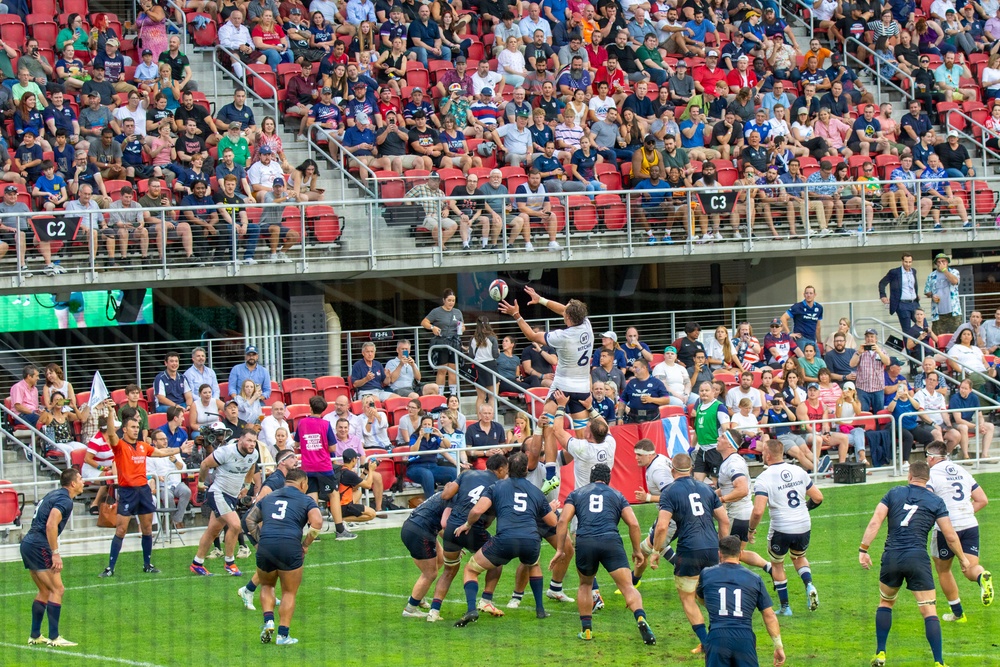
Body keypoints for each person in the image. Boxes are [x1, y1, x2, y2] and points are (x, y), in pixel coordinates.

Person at [859, 460, 970, 667]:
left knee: (885, 603)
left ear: (910, 476)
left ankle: (881, 653)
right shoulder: (936, 501)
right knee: (929, 611)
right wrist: (963, 559)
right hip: (917, 558)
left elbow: (875, 521)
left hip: (892, 556)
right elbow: (950, 535)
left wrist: (863, 550)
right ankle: (938, 662)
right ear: (927, 479)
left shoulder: (893, 493)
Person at [499, 288, 593, 493]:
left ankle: (550, 475)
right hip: (583, 389)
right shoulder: (587, 325)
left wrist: (516, 314)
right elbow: (566, 310)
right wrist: (540, 299)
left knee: (546, 424)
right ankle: (587, 474)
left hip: (563, 388)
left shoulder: (563, 336)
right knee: (580, 438)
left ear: (568, 317)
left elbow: (532, 334)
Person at [551, 463, 655, 644]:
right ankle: (640, 617)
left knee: (585, 584)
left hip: (585, 542)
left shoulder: (577, 494)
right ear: (608, 479)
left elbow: (562, 522)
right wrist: (637, 550)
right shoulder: (617, 495)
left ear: (591, 478)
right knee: (627, 586)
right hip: (610, 542)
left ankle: (587, 631)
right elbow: (634, 524)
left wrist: (560, 549)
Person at [452, 451, 558, 627]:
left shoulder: (496, 486)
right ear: (525, 469)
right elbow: (552, 522)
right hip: (530, 540)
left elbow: (477, 510)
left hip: (505, 539)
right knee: (533, 565)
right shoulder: (536, 491)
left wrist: (467, 525)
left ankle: (472, 609)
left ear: (508, 467)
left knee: (471, 569)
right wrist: (551, 509)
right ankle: (540, 610)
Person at [648, 452, 730, 652]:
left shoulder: (669, 492)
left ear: (672, 469)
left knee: (687, 597)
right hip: (711, 548)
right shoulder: (707, 489)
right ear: (692, 468)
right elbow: (724, 520)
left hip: (689, 549)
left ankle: (707, 643)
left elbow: (661, 527)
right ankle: (718, 636)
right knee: (710, 594)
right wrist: (724, 548)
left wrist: (656, 551)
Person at [100, 408, 192, 578]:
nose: (136, 429)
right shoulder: (119, 446)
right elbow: (111, 433)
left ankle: (147, 564)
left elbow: (160, 452)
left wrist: (179, 450)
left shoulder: (143, 446)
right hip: (127, 491)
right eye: (132, 427)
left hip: (143, 490)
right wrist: (111, 413)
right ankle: (110, 567)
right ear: (125, 429)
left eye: (137, 427)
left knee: (147, 528)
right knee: (121, 530)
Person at [243, 468, 323, 645]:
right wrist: (305, 545)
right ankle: (283, 635)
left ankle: (268, 621)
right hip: (290, 546)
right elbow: (317, 522)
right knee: (288, 592)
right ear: (302, 484)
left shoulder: (268, 497)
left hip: (267, 546)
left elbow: (249, 520)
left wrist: (260, 540)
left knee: (266, 585)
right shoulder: (306, 499)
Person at [428, 453, 510, 622]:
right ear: (500, 469)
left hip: (451, 529)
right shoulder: (499, 485)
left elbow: (445, 495)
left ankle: (434, 612)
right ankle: (485, 600)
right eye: (506, 471)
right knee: (498, 559)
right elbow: (489, 518)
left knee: (449, 570)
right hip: (470, 528)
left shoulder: (467, 474)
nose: (506, 474)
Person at [750, 439, 825, 616]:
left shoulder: (763, 478)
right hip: (803, 524)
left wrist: (751, 529)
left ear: (767, 455)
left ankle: (785, 607)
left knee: (777, 564)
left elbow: (758, 510)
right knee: (799, 557)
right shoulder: (798, 471)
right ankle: (809, 585)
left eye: (762, 453)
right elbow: (818, 497)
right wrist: (803, 509)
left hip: (781, 527)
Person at [925, 440, 995, 625]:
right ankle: (982, 577)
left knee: (943, 569)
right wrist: (964, 512)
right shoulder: (961, 471)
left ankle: (958, 613)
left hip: (947, 527)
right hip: (970, 524)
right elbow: (982, 500)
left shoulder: (931, 474)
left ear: (931, 458)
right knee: (970, 568)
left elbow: (927, 499)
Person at [698, 535, 787, 667]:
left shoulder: (706, 574)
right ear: (740, 554)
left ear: (719, 553)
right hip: (744, 638)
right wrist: (778, 646)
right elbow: (769, 615)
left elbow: (699, 597)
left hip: (718, 636)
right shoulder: (754, 578)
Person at [20, 468, 84, 648]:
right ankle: (54, 638)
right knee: (58, 589)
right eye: (80, 478)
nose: (83, 481)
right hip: (39, 545)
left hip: (28, 544)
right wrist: (55, 553)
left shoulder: (54, 494)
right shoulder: (65, 500)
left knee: (45, 590)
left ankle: (35, 635)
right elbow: (50, 524)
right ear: (72, 483)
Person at [189, 430, 260, 577]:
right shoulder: (226, 452)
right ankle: (230, 563)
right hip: (218, 493)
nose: (252, 444)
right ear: (240, 440)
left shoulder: (254, 454)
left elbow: (251, 467)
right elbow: (204, 464)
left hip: (232, 496)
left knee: (213, 531)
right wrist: (201, 483)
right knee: (235, 525)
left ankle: (197, 563)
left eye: (254, 441)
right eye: (249, 440)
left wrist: (246, 487)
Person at [293, 395, 356, 539]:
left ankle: (313, 532)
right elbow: (333, 447)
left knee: (311, 497)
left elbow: (296, 444)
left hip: (307, 466)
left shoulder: (302, 423)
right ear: (322, 410)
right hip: (323, 465)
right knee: (333, 494)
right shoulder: (325, 424)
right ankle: (340, 529)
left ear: (310, 407)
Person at [399, 490, 447, 618]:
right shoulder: (454, 498)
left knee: (440, 559)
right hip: (421, 531)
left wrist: (450, 544)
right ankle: (410, 609)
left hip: (418, 528)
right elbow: (446, 525)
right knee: (430, 573)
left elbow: (441, 526)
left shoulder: (446, 492)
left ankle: (419, 596)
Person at [421, 288, 464, 395]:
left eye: (453, 300)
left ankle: (453, 394)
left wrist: (462, 328)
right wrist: (432, 328)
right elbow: (424, 322)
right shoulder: (436, 311)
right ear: (444, 300)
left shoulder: (457, 312)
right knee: (442, 370)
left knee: (453, 370)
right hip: (441, 343)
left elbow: (463, 325)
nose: (451, 303)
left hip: (454, 343)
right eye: (449, 300)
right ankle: (439, 395)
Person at [879, 253, 921, 331]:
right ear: (902, 261)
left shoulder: (913, 271)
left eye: (910, 262)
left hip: (914, 303)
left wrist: (915, 294)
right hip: (902, 304)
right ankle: (908, 343)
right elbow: (882, 283)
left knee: (923, 325)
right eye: (906, 262)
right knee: (906, 329)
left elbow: (912, 285)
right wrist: (883, 295)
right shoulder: (895, 272)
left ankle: (919, 343)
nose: (908, 264)